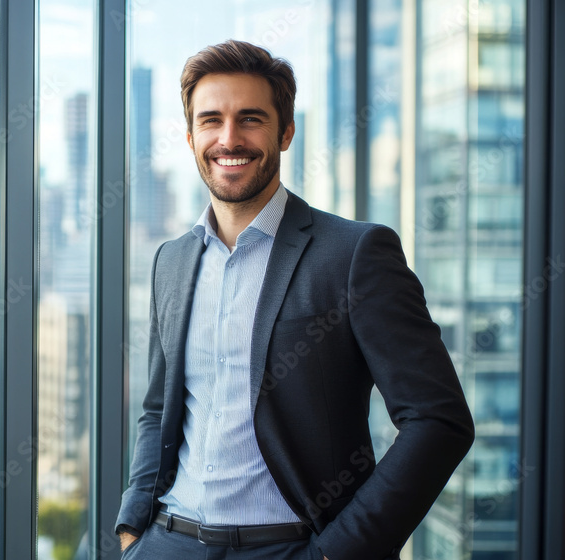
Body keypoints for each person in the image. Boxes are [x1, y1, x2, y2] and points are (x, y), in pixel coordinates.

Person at [115, 39, 474, 560]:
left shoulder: (354, 253)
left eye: (251, 119)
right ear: (191, 136)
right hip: (166, 543)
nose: (229, 138)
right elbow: (158, 409)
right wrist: (132, 528)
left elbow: (438, 420)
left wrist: (339, 552)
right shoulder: (170, 261)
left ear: (286, 132)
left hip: (289, 547)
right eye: (211, 120)